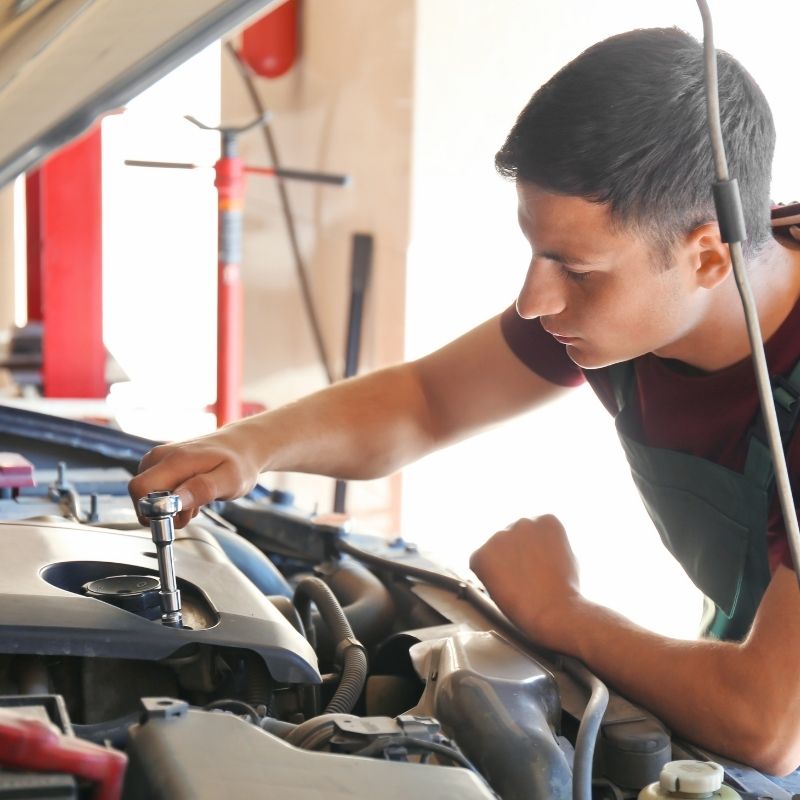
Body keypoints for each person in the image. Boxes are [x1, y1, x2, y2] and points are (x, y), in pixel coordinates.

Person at [129, 27, 800, 775]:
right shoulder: (642, 301)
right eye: (535, 250)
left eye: (573, 270)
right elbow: (426, 401)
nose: (534, 300)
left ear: (709, 255)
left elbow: (768, 723)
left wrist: (565, 617)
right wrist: (249, 446)